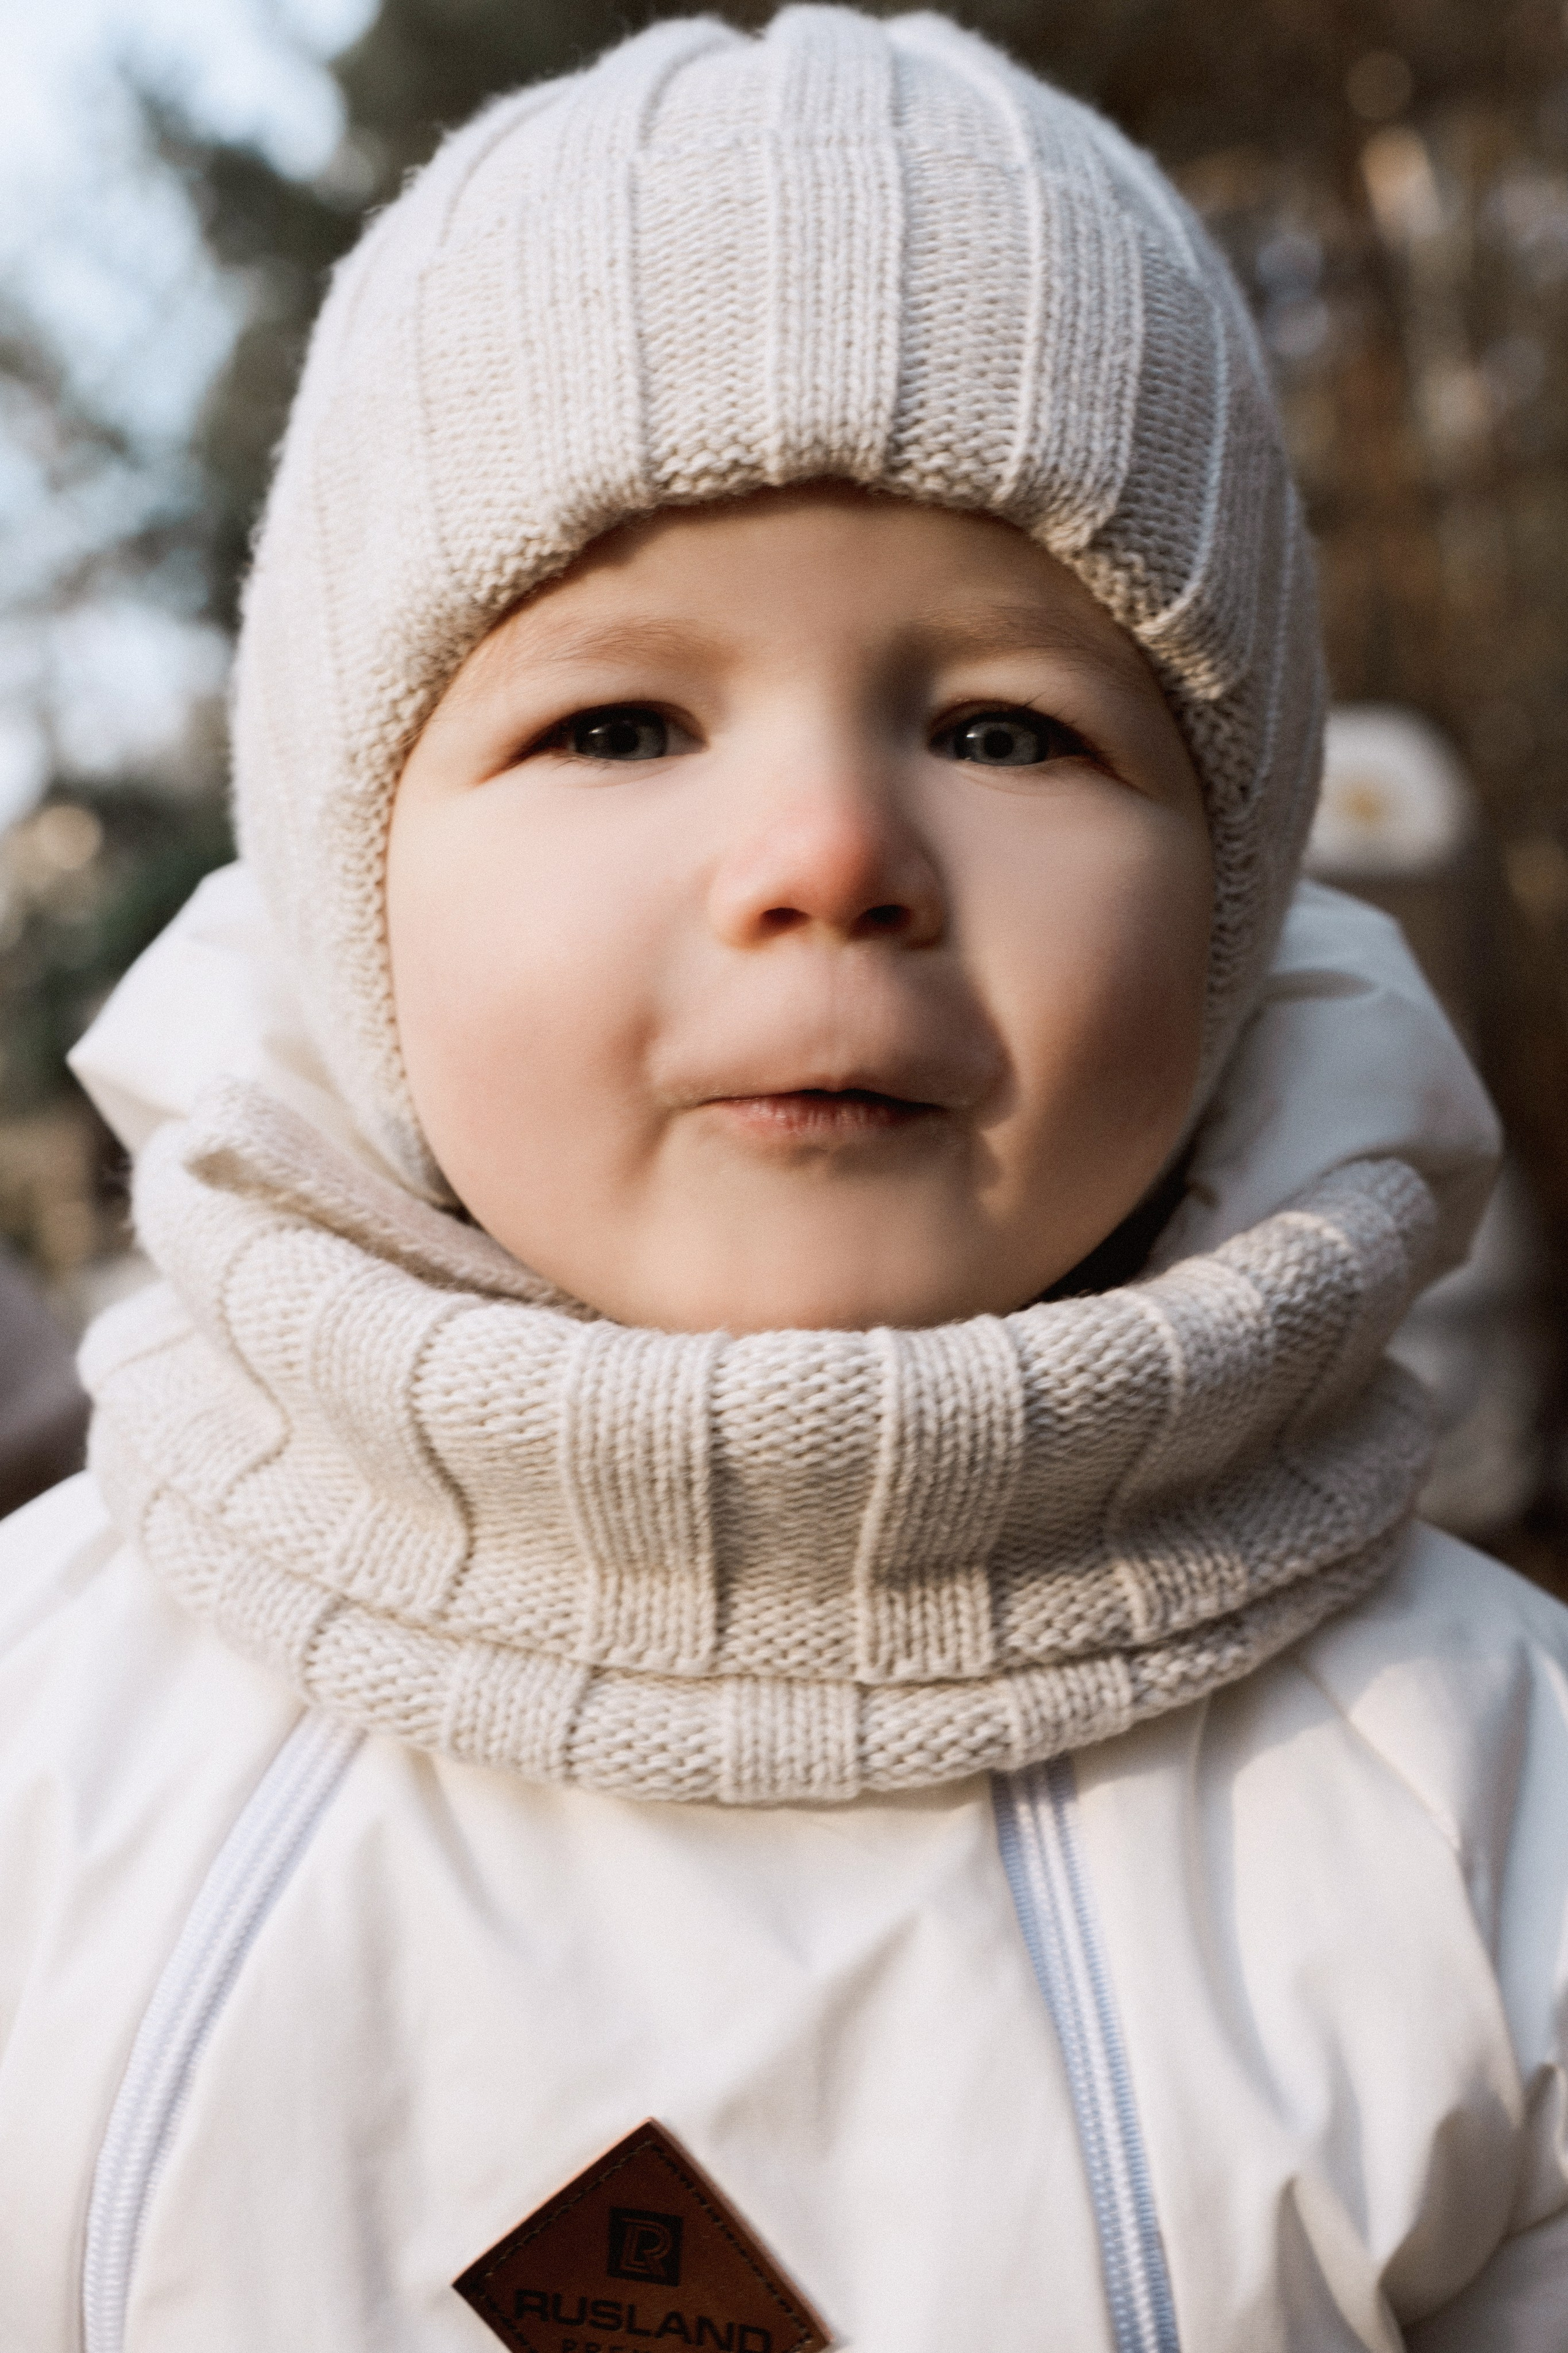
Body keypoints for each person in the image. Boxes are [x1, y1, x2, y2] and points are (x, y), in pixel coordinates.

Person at [1, 10, 1563, 2349]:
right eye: (618, 722)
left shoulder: (1490, 1820)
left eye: (1007, 727)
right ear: (354, 888)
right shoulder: (48, 1729)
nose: (831, 855)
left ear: (1236, 903)